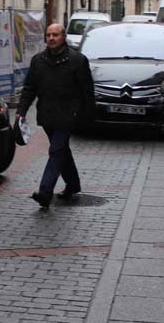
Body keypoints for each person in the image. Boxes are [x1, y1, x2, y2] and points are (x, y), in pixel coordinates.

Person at [15, 22, 95, 209]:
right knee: (62, 152)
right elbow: (29, 89)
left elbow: (87, 91)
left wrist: (88, 117)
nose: (51, 38)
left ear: (63, 37)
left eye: (55, 35)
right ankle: (73, 185)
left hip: (68, 115)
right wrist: (20, 112)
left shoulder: (77, 60)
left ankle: (45, 192)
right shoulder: (38, 60)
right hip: (47, 115)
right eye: (49, 35)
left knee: (56, 151)